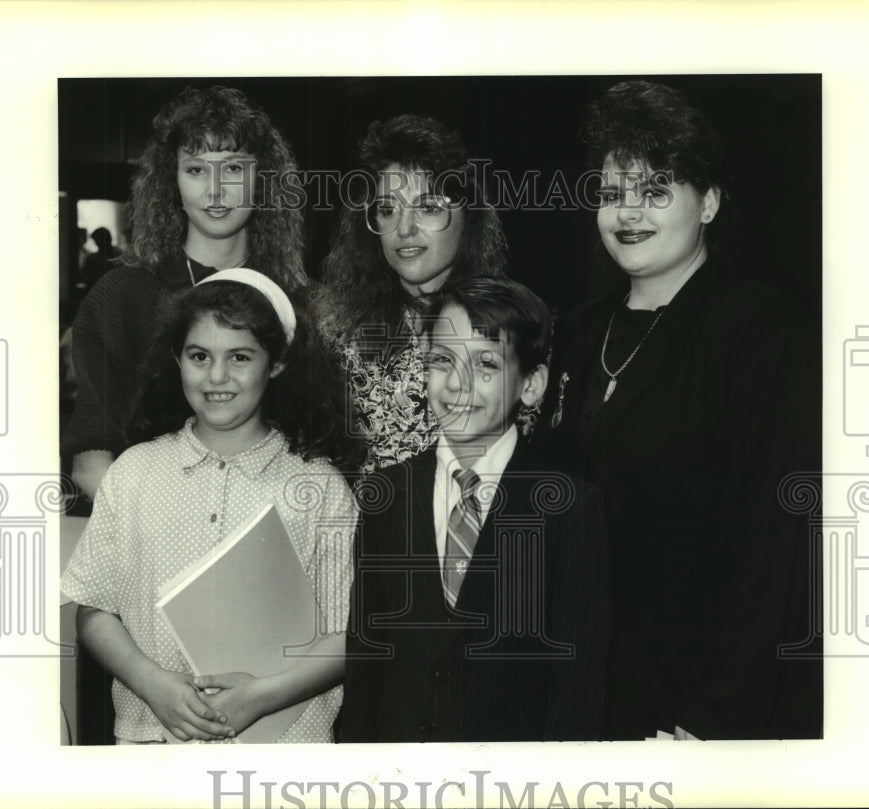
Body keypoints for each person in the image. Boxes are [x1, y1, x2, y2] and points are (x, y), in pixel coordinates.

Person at [535, 80, 821, 740]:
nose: (627, 212)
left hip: (697, 703)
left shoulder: (756, 330)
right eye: (612, 194)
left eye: (656, 190)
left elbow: (776, 543)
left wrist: (712, 719)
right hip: (584, 689)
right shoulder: (578, 330)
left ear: (710, 202)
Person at [61, 269, 356, 744]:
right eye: (200, 356)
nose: (217, 376)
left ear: (276, 364)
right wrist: (150, 683)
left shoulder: (318, 487)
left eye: (240, 357)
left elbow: (347, 636)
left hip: (284, 754)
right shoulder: (135, 473)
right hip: (152, 744)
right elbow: (94, 607)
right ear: (177, 358)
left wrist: (261, 696)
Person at [337, 277, 608, 742]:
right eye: (443, 360)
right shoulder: (388, 493)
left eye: (486, 364)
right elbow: (368, 659)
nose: (458, 383)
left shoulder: (568, 507)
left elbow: (577, 688)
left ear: (531, 384)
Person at [63, 85, 306, 500]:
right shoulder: (120, 298)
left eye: (233, 169)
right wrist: (175, 535)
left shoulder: (299, 303)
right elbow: (91, 464)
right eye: (196, 169)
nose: (214, 191)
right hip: (149, 534)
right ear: (171, 180)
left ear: (262, 178)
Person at [315, 114, 511, 475]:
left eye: (428, 207)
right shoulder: (336, 336)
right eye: (388, 210)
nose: (404, 229)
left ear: (468, 214)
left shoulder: (509, 327)